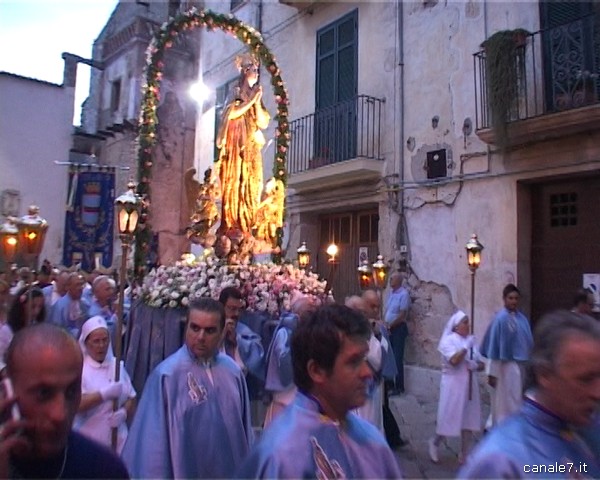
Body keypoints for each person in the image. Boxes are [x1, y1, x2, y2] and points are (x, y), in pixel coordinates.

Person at [237, 304, 403, 479]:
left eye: (363, 359)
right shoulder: (281, 452)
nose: (367, 372)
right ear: (316, 370)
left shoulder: (371, 438)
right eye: (353, 362)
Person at [122, 298, 253, 478]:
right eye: (195, 328)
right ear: (186, 327)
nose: (200, 337)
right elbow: (152, 449)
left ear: (223, 331)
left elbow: (244, 435)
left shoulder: (232, 372)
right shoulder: (166, 377)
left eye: (209, 330)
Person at [458, 310, 600, 478]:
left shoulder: (588, 431)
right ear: (545, 375)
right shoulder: (500, 461)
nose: (597, 393)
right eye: (585, 379)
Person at [0, 323, 129, 478]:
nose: (60, 415)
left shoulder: (105, 469)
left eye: (71, 391)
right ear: (8, 390)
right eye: (43, 393)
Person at [216, 53, 270, 235]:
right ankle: (234, 223)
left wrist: (256, 102)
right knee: (237, 181)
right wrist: (251, 101)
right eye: (253, 70)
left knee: (253, 182)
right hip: (236, 144)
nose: (256, 73)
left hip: (252, 145)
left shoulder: (256, 95)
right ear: (245, 71)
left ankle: (247, 223)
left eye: (257, 70)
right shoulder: (235, 91)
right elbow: (230, 113)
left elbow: (264, 123)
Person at [74, 316, 136, 453]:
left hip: (118, 441)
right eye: (96, 341)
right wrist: (103, 394)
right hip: (91, 441)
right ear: (86, 343)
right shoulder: (80, 370)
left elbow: (132, 397)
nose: (101, 345)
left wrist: (124, 412)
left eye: (104, 340)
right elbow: (76, 404)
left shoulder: (117, 366)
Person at [429, 310, 484, 465]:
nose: (468, 325)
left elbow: (481, 364)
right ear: (456, 326)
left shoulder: (471, 341)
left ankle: (465, 453)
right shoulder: (448, 341)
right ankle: (435, 442)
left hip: (469, 384)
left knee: (469, 419)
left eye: (468, 322)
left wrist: (475, 365)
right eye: (465, 322)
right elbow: (454, 360)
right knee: (448, 417)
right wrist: (466, 347)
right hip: (453, 385)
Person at [480, 283, 533, 427]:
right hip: (503, 368)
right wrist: (492, 373)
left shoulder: (522, 320)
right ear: (504, 299)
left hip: (518, 367)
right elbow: (494, 348)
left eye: (516, 298)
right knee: (502, 404)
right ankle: (498, 429)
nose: (514, 301)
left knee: (516, 401)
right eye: (510, 298)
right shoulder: (500, 319)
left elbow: (526, 343)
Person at [263, 295, 318, 427]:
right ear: (297, 314)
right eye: (308, 312)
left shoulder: (311, 334)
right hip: (284, 400)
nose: (312, 317)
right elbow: (286, 370)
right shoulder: (285, 333)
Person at [219, 286, 264, 379]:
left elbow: (257, 359)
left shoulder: (244, 331)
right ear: (221, 307)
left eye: (239, 310)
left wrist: (237, 341)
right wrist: (221, 336)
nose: (236, 314)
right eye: (232, 308)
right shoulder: (208, 328)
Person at [0, 286, 45, 361]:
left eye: (40, 307)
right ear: (23, 305)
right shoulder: (7, 330)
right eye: (33, 306)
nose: (37, 311)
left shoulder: (39, 328)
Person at [384, 271, 411, 395]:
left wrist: (391, 325)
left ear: (399, 281)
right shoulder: (391, 293)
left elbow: (402, 314)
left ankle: (399, 386)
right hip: (389, 328)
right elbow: (388, 310)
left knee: (397, 357)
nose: (390, 281)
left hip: (398, 329)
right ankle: (389, 384)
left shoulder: (403, 294)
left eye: (392, 279)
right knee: (389, 356)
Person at [48, 272, 89, 338]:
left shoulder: (85, 304)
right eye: (77, 285)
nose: (80, 288)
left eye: (81, 284)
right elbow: (57, 330)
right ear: (68, 287)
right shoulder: (60, 306)